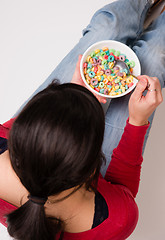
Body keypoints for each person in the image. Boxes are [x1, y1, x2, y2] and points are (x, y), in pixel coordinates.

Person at [0, 0, 164, 240]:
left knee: (106, 30)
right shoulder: (115, 221)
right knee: (154, 58)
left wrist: (71, 98)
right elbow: (122, 190)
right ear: (92, 170)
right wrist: (137, 122)